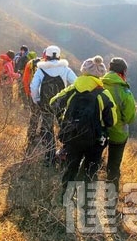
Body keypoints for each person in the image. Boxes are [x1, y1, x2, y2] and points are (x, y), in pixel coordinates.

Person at [50, 55, 117, 198]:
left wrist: (64, 120)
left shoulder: (72, 89)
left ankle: (65, 197)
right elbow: (112, 120)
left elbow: (53, 103)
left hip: (72, 136)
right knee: (90, 170)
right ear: (101, 74)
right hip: (95, 140)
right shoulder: (104, 94)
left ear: (83, 71)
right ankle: (86, 201)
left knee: (71, 167)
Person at [30, 45, 77, 166]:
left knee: (47, 129)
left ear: (47, 56)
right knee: (65, 128)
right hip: (62, 105)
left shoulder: (40, 70)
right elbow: (76, 84)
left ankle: (49, 158)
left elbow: (34, 87)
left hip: (46, 105)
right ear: (59, 56)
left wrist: (37, 100)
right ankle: (66, 154)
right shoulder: (65, 69)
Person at [101, 57, 137, 195]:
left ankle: (85, 193)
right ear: (123, 72)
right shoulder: (124, 91)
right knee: (113, 167)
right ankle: (110, 199)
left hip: (99, 131)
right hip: (118, 134)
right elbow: (130, 118)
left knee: (92, 161)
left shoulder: (98, 83)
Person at [22, 49, 44, 152]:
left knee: (34, 115)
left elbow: (25, 79)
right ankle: (43, 137)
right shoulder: (51, 65)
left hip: (33, 93)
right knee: (45, 116)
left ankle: (30, 137)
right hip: (47, 96)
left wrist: (28, 92)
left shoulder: (31, 63)